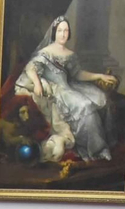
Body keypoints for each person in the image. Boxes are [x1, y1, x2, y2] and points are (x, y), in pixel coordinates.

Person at [15, 16, 116, 161]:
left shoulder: (70, 54)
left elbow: (78, 74)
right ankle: (96, 150)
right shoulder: (46, 52)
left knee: (101, 99)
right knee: (85, 106)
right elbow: (31, 68)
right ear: (54, 32)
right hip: (58, 91)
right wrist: (37, 83)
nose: (63, 34)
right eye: (60, 30)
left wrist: (99, 76)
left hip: (69, 87)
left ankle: (102, 145)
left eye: (66, 31)